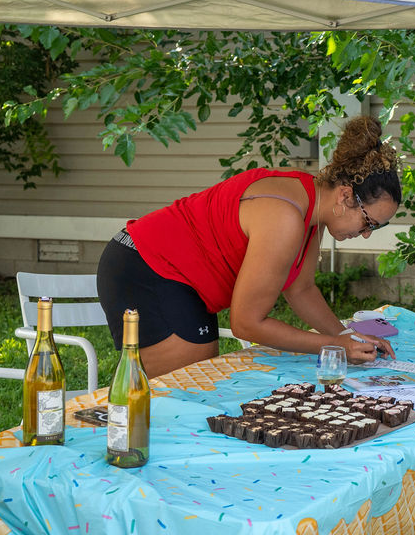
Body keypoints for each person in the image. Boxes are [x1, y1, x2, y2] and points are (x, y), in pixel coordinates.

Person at [97, 116, 399, 379]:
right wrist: (333, 345)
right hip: (146, 267)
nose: (367, 234)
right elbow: (246, 324)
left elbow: (301, 289)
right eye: (369, 222)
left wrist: (347, 336)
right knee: (181, 390)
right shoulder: (285, 217)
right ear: (345, 196)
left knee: (198, 382)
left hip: (178, 275)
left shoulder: (314, 203)